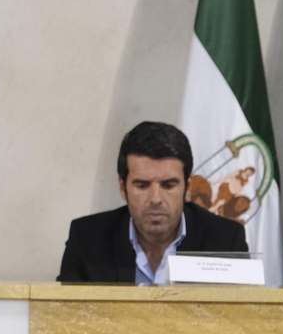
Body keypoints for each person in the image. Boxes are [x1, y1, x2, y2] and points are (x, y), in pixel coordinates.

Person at [58, 121, 247, 284]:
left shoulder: (224, 241)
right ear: (123, 187)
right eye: (142, 185)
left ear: (187, 188)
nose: (155, 199)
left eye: (168, 185)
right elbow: (64, 319)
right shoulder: (87, 239)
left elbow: (238, 321)